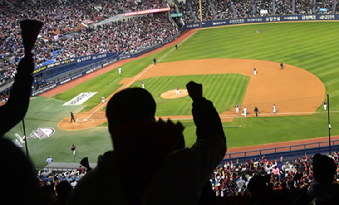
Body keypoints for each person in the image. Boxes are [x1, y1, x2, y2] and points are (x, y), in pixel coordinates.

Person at [67, 82, 227, 205]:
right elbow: (215, 140)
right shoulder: (181, 168)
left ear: (110, 128)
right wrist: (199, 101)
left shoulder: (88, 187)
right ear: (152, 121)